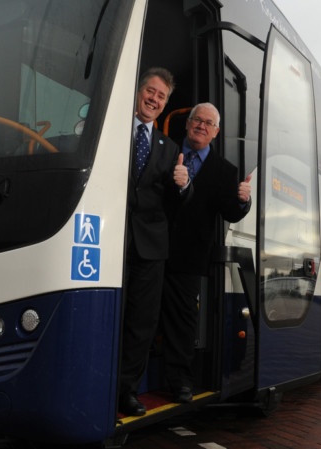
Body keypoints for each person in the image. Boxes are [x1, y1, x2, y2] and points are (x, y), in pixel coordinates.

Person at [160, 102, 251, 403]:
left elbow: (232, 214)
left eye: (208, 123)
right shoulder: (165, 152)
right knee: (141, 316)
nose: (201, 125)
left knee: (183, 323)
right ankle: (128, 384)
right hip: (150, 248)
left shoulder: (226, 172)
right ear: (186, 125)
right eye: (196, 120)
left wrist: (243, 201)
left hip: (189, 258)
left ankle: (179, 382)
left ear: (216, 132)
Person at [119, 68, 190, 417]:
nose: (154, 99)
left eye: (161, 96)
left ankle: (126, 391)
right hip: (110, 243)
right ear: (138, 92)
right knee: (110, 317)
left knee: (140, 323)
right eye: (151, 91)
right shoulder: (113, 131)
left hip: (150, 249)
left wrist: (182, 184)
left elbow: (176, 206)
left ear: (165, 104)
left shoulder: (171, 148)